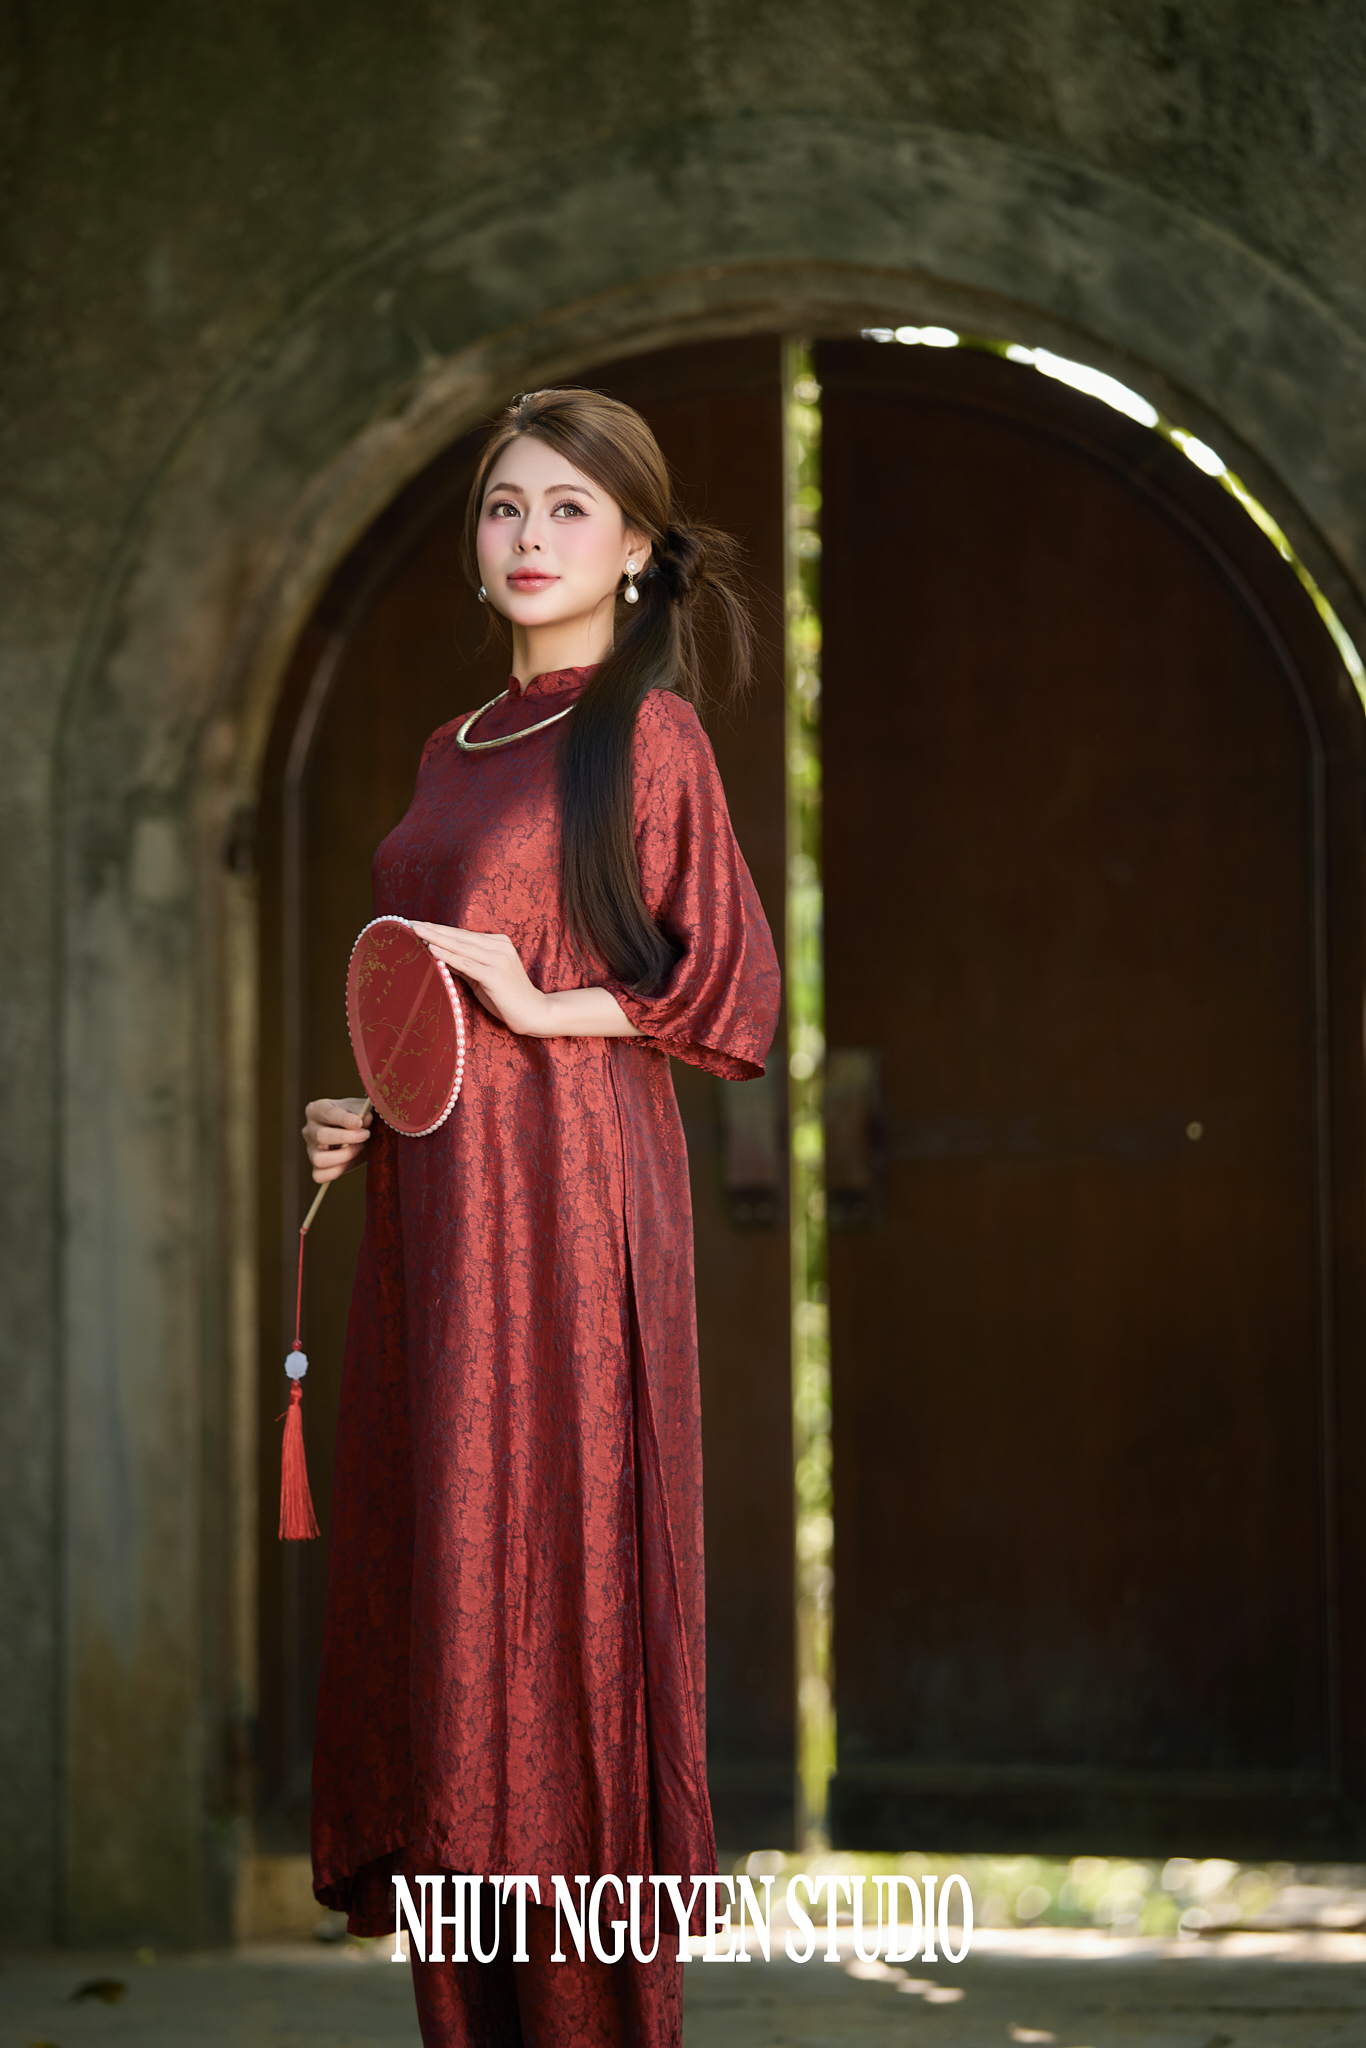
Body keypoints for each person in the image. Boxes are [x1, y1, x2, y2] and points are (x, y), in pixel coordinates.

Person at [301, 387, 781, 2047]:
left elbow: (730, 997)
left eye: (571, 509)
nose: (530, 537)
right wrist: (373, 1105)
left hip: (573, 1209)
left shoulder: (648, 737)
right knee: (449, 1581)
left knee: (555, 1578)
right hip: (435, 1214)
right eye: (506, 506)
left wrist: (531, 999)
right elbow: (429, 997)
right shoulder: (451, 750)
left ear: (636, 549)